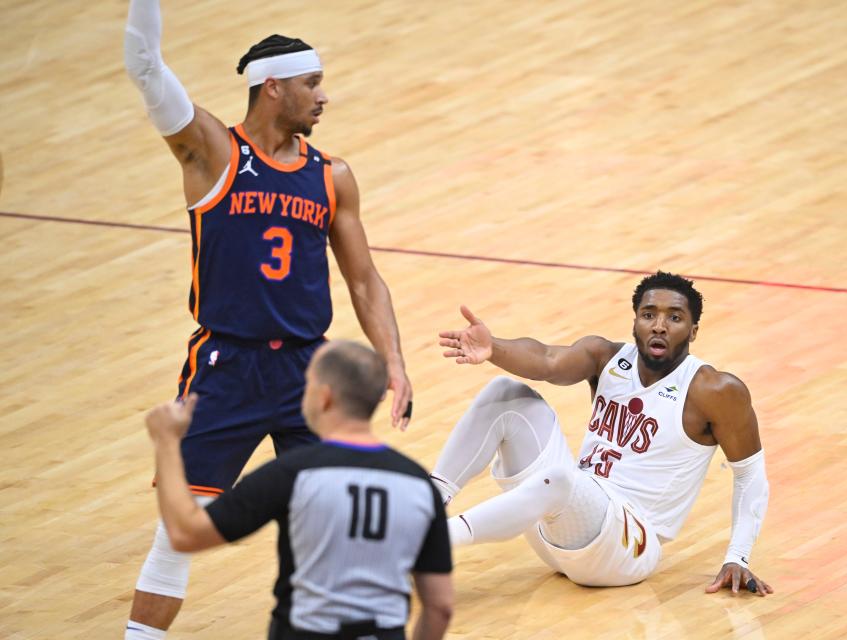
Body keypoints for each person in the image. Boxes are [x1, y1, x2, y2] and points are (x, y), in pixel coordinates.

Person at [123, 1, 413, 637]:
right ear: (272, 86)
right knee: (178, 535)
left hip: (311, 369)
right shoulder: (211, 152)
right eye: (312, 83)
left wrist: (392, 359)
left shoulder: (332, 175)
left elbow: (364, 279)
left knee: (339, 520)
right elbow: (145, 66)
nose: (323, 96)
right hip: (227, 366)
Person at [430, 271, 773, 595]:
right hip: (567, 524)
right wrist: (494, 349)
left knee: (561, 478)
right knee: (505, 394)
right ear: (635, 321)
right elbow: (548, 360)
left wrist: (737, 555)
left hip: (628, 547)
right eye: (649, 314)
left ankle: (429, 540)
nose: (660, 326)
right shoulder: (605, 357)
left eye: (675, 317)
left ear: (693, 330)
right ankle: (423, 507)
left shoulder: (714, 390)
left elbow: (749, 474)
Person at [140, 341, 452, 640]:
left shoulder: (293, 474)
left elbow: (185, 534)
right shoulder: (418, 484)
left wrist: (167, 443)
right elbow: (440, 608)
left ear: (324, 397)